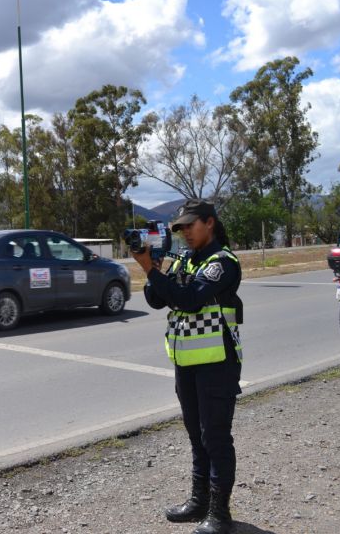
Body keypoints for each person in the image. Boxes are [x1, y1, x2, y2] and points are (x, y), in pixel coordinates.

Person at [131, 198, 243, 534]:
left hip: (217, 364)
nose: (185, 233)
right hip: (187, 362)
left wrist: (151, 270)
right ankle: (199, 502)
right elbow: (156, 299)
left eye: (190, 226)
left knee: (216, 438)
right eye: (180, 229)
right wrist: (153, 267)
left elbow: (190, 300)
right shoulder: (185, 260)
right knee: (197, 436)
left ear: (209, 223)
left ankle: (220, 515)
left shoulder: (222, 262)